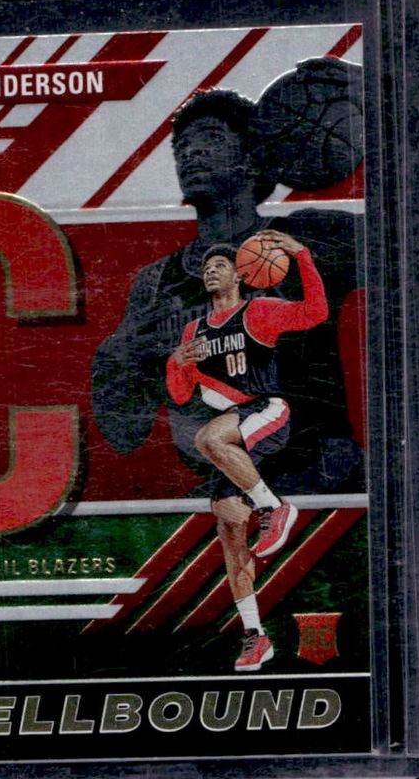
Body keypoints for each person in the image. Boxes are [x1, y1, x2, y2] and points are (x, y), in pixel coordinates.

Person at [92, 69, 364, 495]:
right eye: (182, 146)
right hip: (226, 485)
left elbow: (406, 236)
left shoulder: (311, 235)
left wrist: (381, 107)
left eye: (212, 139)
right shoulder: (156, 282)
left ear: (253, 157)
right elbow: (123, 433)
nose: (192, 152)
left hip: (321, 475)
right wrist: (122, 357)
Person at [166, 230, 328, 670]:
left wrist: (301, 255)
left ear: (241, 274)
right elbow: (180, 395)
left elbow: (316, 312)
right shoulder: (194, 331)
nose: (210, 272)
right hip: (234, 432)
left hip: (266, 410)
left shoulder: (258, 311)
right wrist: (176, 363)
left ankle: (274, 507)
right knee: (230, 530)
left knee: (208, 438)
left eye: (219, 265)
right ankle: (256, 635)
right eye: (206, 268)